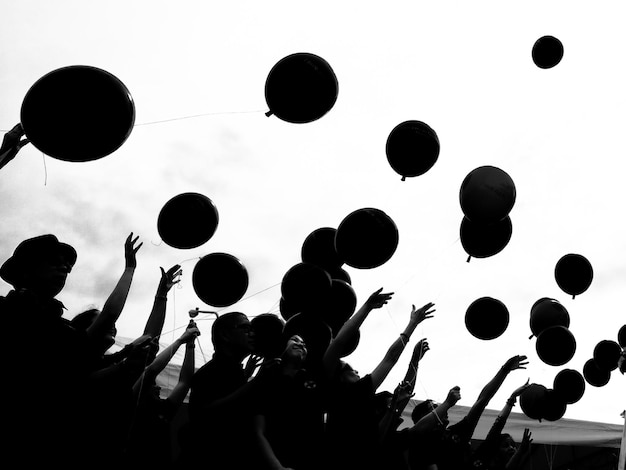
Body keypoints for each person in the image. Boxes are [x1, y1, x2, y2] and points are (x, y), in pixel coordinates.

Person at [0, 234, 94, 468]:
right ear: (26, 270)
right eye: (54, 262)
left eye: (68, 267)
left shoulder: (63, 327)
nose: (64, 268)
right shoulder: (4, 313)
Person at [323, 288, 436, 470]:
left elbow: (402, 391)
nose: (358, 371)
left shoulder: (366, 401)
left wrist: (414, 358)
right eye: (351, 370)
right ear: (340, 378)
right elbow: (388, 358)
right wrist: (411, 324)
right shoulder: (347, 396)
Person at [410, 354, 529, 470]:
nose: (441, 410)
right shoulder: (417, 446)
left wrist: (505, 370)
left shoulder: (454, 434)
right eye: (434, 409)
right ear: (422, 419)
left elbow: (482, 401)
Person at [179, 311, 258, 469]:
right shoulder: (208, 373)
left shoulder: (235, 371)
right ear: (225, 335)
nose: (252, 333)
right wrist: (255, 384)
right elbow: (205, 414)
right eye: (245, 328)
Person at [124, 320, 201, 469]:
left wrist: (190, 345)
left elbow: (184, 382)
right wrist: (180, 340)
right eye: (154, 385)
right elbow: (151, 371)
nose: (158, 388)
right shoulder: (129, 402)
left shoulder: (163, 410)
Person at [252, 334, 327, 470]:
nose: (301, 344)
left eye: (304, 344)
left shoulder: (314, 378)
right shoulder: (267, 382)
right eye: (295, 340)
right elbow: (258, 431)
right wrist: (278, 468)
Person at [468, 380, 532, 470]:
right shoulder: (481, 458)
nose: (511, 448)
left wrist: (520, 452)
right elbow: (498, 425)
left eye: (513, 445)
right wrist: (512, 398)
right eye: (505, 445)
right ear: (494, 450)